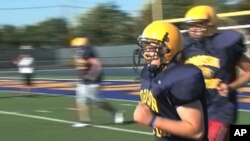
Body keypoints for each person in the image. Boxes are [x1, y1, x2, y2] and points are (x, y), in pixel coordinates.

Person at [181, 5, 250, 141]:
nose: (193, 29)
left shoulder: (226, 45)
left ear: (211, 23)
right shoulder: (187, 47)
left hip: (220, 108)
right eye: (190, 25)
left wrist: (231, 87)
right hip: (195, 108)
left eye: (198, 24)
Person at [133, 21, 208, 141]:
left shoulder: (181, 78)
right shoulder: (149, 73)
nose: (146, 53)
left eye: (152, 47)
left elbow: (196, 131)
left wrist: (152, 120)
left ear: (168, 49)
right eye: (146, 47)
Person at [70, 37, 124, 127]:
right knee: (81, 100)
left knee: (97, 101)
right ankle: (85, 121)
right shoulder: (80, 52)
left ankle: (115, 111)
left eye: (76, 46)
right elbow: (80, 67)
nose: (74, 48)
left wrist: (97, 81)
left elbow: (96, 66)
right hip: (84, 80)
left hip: (92, 80)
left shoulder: (88, 51)